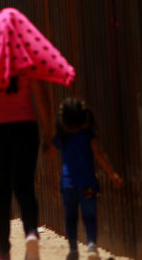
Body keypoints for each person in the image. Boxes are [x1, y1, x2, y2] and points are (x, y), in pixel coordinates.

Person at [0, 8, 76, 260]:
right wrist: (48, 134)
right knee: (24, 186)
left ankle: (3, 249)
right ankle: (31, 232)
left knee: (0, 189)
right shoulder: (25, 59)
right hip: (24, 128)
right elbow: (41, 97)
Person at [50, 97, 123, 260]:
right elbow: (99, 155)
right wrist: (113, 174)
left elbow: (49, 152)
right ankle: (91, 246)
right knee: (89, 216)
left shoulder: (62, 138)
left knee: (70, 218)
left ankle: (73, 249)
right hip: (88, 184)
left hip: (68, 185)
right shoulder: (89, 136)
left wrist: (54, 128)